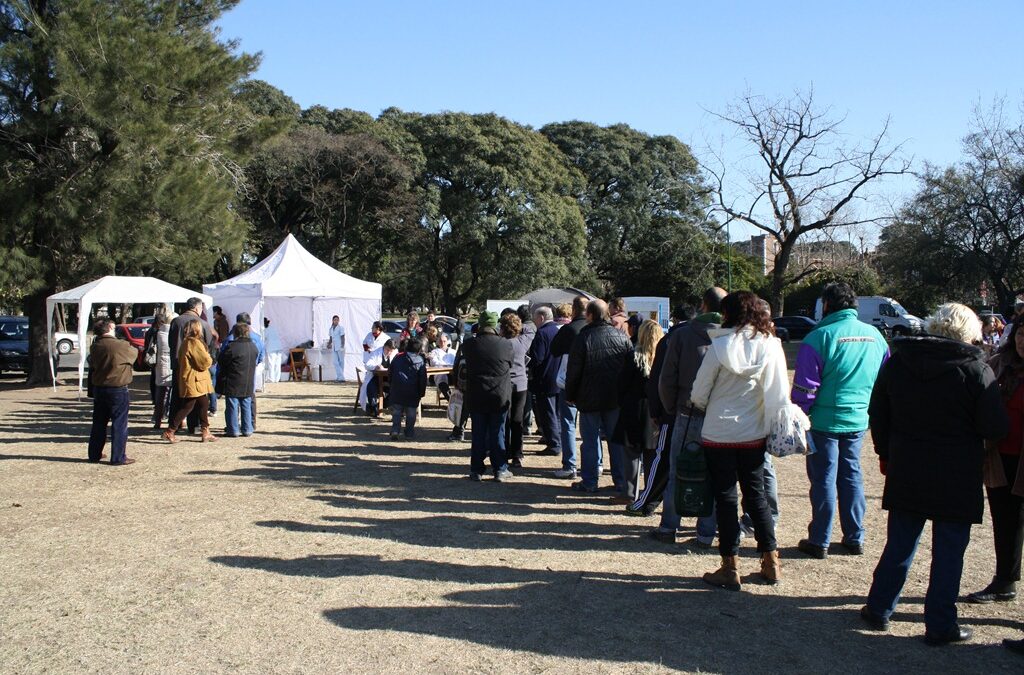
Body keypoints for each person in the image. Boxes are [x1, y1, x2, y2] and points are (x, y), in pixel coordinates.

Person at [862, 303, 1008, 645]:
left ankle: (879, 607)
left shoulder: (900, 361)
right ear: (969, 332)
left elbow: (878, 413)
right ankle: (940, 624)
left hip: (908, 466)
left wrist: (886, 453)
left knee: (900, 543)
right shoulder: (976, 370)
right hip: (957, 472)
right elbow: (994, 426)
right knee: (949, 552)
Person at [690, 291, 787, 590]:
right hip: (753, 432)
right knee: (756, 496)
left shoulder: (719, 346)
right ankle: (771, 561)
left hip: (718, 432)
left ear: (728, 313)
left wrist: (707, 404)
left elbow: (699, 392)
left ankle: (729, 565)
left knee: (725, 498)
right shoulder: (770, 345)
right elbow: (780, 390)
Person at [792, 283, 890, 559]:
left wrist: (800, 413)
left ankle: (820, 539)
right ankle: (854, 536)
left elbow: (805, 387)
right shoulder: (876, 336)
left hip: (824, 420)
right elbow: (884, 378)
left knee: (823, 478)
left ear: (826, 305)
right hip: (859, 418)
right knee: (852, 475)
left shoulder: (819, 337)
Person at [651, 288, 727, 544]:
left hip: (687, 410)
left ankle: (669, 527)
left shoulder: (682, 335)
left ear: (703, 305)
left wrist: (671, 408)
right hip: (720, 414)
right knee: (715, 474)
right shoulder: (732, 335)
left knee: (678, 470)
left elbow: (666, 378)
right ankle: (706, 532)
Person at [967, 314, 1024, 605]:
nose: (1023, 341)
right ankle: (1004, 581)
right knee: (1005, 522)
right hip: (1000, 458)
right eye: (1021, 334)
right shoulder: (999, 363)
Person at [626, 304, 694, 517]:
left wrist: (660, 410)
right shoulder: (710, 339)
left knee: (661, 458)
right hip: (702, 410)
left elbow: (661, 381)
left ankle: (647, 501)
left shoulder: (671, 341)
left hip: (671, 410)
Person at [564, 299, 633, 494]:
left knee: (590, 441)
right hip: (614, 398)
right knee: (615, 441)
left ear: (590, 315)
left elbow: (573, 371)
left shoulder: (583, 337)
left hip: (589, 397)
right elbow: (630, 368)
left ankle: (590, 481)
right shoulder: (622, 337)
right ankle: (621, 481)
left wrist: (570, 394)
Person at [614, 320, 664, 505]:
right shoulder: (664, 357)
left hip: (633, 408)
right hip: (656, 410)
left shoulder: (633, 356)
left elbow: (622, 384)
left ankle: (629, 493)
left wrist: (622, 402)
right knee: (652, 455)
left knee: (631, 455)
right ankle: (650, 493)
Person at [463, 311, 514, 482]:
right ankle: (500, 469)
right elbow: (510, 363)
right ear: (495, 325)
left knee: (478, 433)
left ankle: (476, 470)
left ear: (480, 324)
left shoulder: (469, 345)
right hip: (499, 394)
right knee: (497, 432)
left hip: (477, 394)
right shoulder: (505, 344)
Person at [87, 319, 138, 465]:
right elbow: (134, 355)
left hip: (99, 388)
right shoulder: (120, 345)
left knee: (99, 422)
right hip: (117, 388)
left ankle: (94, 453)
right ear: (110, 327)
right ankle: (118, 456)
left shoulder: (95, 346)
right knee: (119, 423)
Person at [549, 296, 589, 479]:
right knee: (592, 427)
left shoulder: (569, 329)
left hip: (570, 380)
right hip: (590, 383)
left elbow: (554, 350)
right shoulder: (593, 328)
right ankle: (596, 464)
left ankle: (570, 465)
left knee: (568, 424)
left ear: (574, 309)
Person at [168, 298, 216, 434]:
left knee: (177, 397)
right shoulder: (202, 324)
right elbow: (208, 345)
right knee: (195, 399)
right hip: (196, 368)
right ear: (196, 308)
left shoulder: (175, 322)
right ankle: (193, 426)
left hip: (178, 364)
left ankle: (175, 426)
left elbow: (171, 343)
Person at [528, 306, 562, 459]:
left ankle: (554, 444)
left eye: (535, 318)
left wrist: (528, 363)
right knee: (556, 413)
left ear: (541, 317)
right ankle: (557, 440)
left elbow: (537, 358)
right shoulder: (558, 330)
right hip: (557, 377)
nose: (534, 321)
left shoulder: (542, 333)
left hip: (544, 378)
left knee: (548, 414)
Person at [217, 322, 259, 438]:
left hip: (233, 379)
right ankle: (247, 429)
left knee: (232, 405)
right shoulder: (253, 346)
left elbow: (222, 360)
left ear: (235, 333)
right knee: (246, 404)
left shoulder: (232, 347)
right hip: (248, 380)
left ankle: (233, 430)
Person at [501, 313, 530, 468]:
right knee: (517, 420)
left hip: (505, 384)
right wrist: (520, 326)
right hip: (521, 384)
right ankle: (517, 454)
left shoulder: (501, 344)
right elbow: (531, 329)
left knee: (505, 419)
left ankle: (505, 451)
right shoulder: (522, 341)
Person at [388, 337, 428, 441]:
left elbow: (390, 372)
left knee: (397, 411)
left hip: (397, 388)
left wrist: (391, 385)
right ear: (419, 349)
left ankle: (395, 430)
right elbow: (422, 379)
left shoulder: (397, 357)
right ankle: (409, 433)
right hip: (412, 391)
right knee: (411, 413)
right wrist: (421, 392)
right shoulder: (420, 361)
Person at [359, 339, 398, 415]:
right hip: (375, 378)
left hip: (389, 379)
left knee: (396, 391)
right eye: (387, 350)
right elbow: (367, 364)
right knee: (371, 388)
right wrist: (376, 366)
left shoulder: (395, 353)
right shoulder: (376, 352)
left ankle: (379, 406)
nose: (389, 352)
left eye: (391, 351)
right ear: (384, 346)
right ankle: (373, 408)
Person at [152, 313, 173, 429]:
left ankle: (157, 420)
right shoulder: (176, 333)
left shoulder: (158, 333)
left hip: (161, 366)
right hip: (173, 366)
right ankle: (176, 421)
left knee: (160, 395)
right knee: (174, 395)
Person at [428, 332, 457, 398]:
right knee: (441, 377)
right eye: (441, 341)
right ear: (438, 342)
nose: (443, 343)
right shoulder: (434, 352)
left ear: (448, 342)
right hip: (441, 373)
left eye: (444, 341)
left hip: (453, 374)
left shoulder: (453, 352)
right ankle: (450, 398)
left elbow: (456, 362)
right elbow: (434, 362)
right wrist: (446, 365)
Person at [263, 317, 283, 384]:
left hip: (271, 348)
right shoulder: (273, 328)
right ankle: (277, 379)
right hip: (278, 346)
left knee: (271, 363)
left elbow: (263, 339)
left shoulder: (264, 330)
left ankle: (271, 379)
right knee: (277, 363)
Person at [328, 314, 346, 381]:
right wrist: (329, 344)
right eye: (335, 320)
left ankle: (340, 378)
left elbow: (343, 337)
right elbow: (331, 338)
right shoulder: (331, 329)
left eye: (337, 320)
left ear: (339, 321)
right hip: (334, 347)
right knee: (335, 362)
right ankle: (341, 377)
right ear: (332, 320)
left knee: (341, 362)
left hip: (340, 346)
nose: (336, 321)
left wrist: (342, 346)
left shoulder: (341, 328)